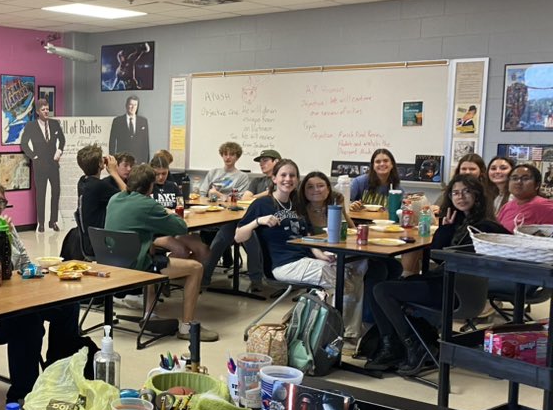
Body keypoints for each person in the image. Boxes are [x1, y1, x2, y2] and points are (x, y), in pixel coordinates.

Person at [0, 178, 85, 401]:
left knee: (67, 305)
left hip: (11, 299)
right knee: (27, 321)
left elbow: (24, 262)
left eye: (1, 202)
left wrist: (42, 272)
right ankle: (22, 395)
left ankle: (56, 374)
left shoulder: (7, 225)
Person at [371, 175, 508, 376]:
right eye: (455, 193)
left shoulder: (487, 226)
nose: (460, 197)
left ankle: (414, 345)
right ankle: (397, 344)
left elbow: (508, 242)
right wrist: (446, 227)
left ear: (478, 195)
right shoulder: (457, 220)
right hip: (445, 283)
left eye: (466, 191)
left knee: (382, 290)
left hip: (457, 292)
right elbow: (436, 251)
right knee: (384, 287)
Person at [234, 159, 368, 335]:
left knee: (353, 273)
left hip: (304, 260)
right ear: (274, 179)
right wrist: (258, 221)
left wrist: (320, 254)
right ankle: (333, 331)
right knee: (343, 280)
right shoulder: (262, 204)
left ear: (297, 180)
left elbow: (307, 236)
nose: (288, 179)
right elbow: (238, 237)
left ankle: (341, 331)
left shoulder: (297, 205)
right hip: (283, 265)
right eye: (283, 175)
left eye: (292, 175)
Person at [105, 165, 208, 341]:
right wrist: (168, 212)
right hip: (135, 269)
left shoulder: (115, 199)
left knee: (150, 251)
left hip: (111, 262)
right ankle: (187, 327)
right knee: (195, 267)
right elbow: (181, 227)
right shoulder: (148, 205)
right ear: (151, 186)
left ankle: (149, 314)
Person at [149, 155, 212, 279]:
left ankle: (184, 275)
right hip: (157, 232)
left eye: (164, 173)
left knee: (204, 250)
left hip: (175, 228)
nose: (161, 177)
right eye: (157, 174)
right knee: (181, 250)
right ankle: (161, 278)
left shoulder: (172, 186)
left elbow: (181, 205)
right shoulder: (149, 187)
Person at [19, 98, 65, 233]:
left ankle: (53, 221)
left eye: (47, 109)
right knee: (41, 194)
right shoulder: (31, 126)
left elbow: (62, 140)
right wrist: (34, 156)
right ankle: (42, 223)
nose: (46, 112)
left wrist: (59, 151)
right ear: (38, 112)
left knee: (56, 192)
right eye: (43, 110)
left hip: (54, 164)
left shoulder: (55, 124)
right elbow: (24, 143)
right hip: (39, 165)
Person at [76, 145, 127, 257]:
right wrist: (114, 172)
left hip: (87, 242)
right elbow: (128, 195)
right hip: (98, 245)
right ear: (100, 164)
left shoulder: (82, 182)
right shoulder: (99, 186)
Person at [498, 163, 553, 231]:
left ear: (537, 185)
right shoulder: (506, 207)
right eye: (514, 178)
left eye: (525, 178)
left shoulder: (546, 206)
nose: (518, 182)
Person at [108, 95, 150, 163]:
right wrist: (113, 160)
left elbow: (146, 143)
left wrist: (145, 161)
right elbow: (112, 142)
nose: (133, 107)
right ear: (126, 105)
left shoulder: (143, 121)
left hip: (138, 161)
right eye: (131, 104)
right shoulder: (117, 121)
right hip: (122, 161)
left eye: (135, 105)